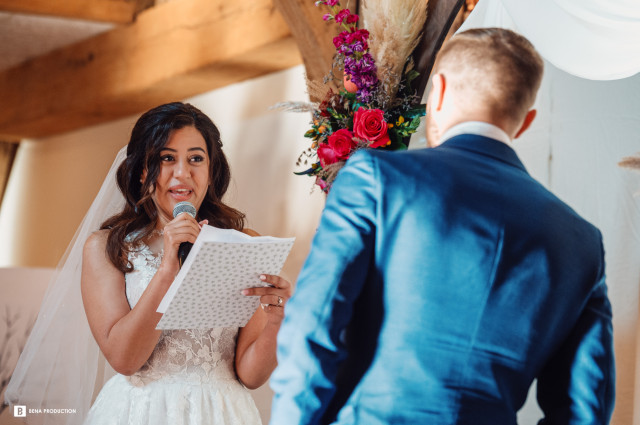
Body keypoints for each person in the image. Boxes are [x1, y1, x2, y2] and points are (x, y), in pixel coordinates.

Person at [269, 28, 615, 425]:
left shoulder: (377, 178)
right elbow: (586, 407)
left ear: (441, 90)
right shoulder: (582, 241)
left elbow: (313, 322)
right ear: (525, 122)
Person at [7, 102, 291, 425]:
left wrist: (276, 320)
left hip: (223, 413)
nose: (182, 173)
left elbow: (250, 375)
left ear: (211, 171)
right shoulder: (106, 248)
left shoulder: (242, 244)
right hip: (141, 413)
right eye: (166, 158)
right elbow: (125, 359)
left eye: (196, 159)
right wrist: (167, 268)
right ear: (143, 170)